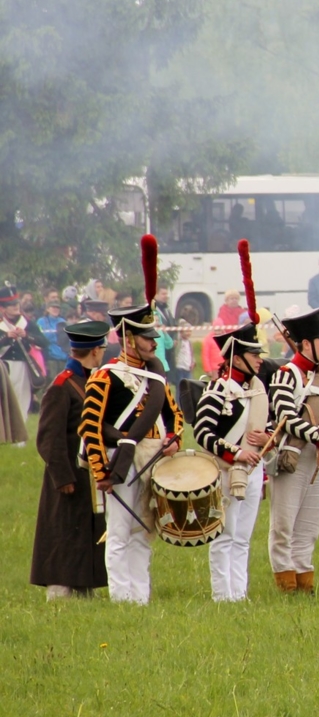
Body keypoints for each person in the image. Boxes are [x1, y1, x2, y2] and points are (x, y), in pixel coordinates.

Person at [80, 240, 183, 605]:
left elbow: (174, 415)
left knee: (144, 530)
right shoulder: (106, 376)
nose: (153, 344)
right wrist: (101, 470)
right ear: (127, 337)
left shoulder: (156, 377)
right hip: (119, 461)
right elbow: (90, 427)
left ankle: (141, 597)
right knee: (120, 532)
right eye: (146, 337)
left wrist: (174, 439)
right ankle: (122, 599)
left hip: (153, 457)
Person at [29, 320, 111, 599]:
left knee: (85, 534)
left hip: (88, 474)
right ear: (95, 352)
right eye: (101, 348)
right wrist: (62, 477)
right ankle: (59, 591)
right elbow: (49, 440)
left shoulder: (90, 381)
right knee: (63, 534)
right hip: (67, 476)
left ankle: (83, 587)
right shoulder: (62, 386)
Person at [194, 312, 271, 603]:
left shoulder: (257, 389)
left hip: (253, 469)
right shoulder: (217, 390)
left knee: (243, 537)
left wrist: (266, 439)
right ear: (237, 358)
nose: (260, 359)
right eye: (254, 354)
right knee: (224, 536)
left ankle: (239, 594)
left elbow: (268, 426)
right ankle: (222, 596)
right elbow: (202, 432)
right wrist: (237, 452)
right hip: (227, 470)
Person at [266, 304, 319, 594]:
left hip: (316, 458)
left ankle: (305, 585)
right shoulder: (286, 374)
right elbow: (287, 419)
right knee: (283, 527)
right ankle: (286, 586)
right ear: (306, 343)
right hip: (290, 457)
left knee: (308, 528)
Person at [0, 283, 47, 420]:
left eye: (16, 303)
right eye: (11, 304)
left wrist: (26, 335)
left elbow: (43, 341)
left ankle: (19, 439)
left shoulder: (26, 323)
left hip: (22, 365)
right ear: (3, 308)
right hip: (3, 365)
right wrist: (6, 337)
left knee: (22, 398)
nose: (15, 306)